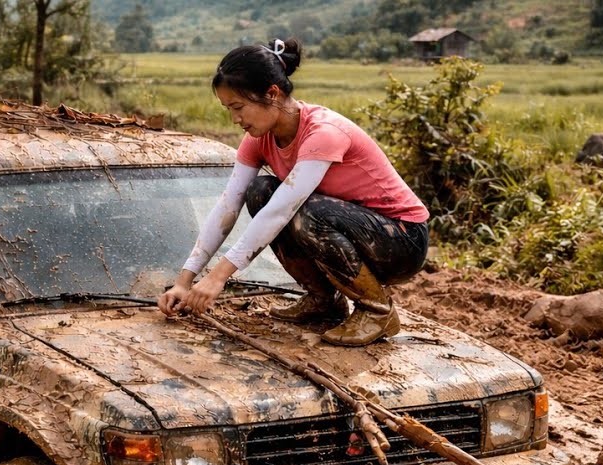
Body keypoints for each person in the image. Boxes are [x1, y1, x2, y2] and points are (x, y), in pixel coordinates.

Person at [157, 38, 430, 346]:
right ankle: (322, 299)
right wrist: (184, 281)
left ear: (272, 93)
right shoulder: (259, 138)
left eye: (238, 107)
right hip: (351, 229)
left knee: (303, 211)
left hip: (402, 238)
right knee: (260, 190)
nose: (235, 119)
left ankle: (378, 310)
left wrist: (218, 276)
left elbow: (282, 210)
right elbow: (227, 206)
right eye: (228, 109)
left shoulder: (323, 133)